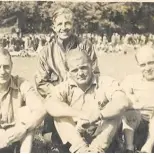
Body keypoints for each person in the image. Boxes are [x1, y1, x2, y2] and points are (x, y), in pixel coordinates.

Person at [34, 7, 99, 151]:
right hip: (59, 99)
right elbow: (41, 82)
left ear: (73, 25)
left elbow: (95, 72)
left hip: (84, 95)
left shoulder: (85, 45)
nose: (64, 28)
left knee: (90, 128)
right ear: (54, 27)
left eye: (67, 23)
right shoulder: (45, 52)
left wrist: (78, 92)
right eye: (60, 24)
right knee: (51, 138)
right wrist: (61, 94)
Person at [44, 49, 130, 153]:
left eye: (83, 68)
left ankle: (95, 150)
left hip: (101, 132)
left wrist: (100, 114)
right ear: (68, 72)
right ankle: (82, 150)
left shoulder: (105, 82)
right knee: (59, 115)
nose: (80, 73)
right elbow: (50, 105)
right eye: (75, 70)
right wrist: (82, 114)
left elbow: (123, 102)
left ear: (92, 65)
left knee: (116, 113)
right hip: (75, 133)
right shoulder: (63, 87)